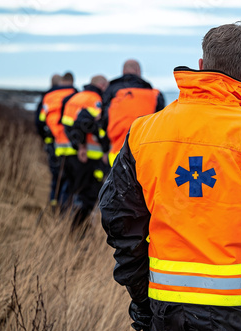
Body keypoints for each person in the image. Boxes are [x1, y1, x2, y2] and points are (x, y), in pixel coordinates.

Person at [99, 22, 241, 331]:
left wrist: (142, 298)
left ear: (202, 65)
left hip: (169, 312)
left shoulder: (143, 133)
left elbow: (119, 219)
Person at [61, 75, 110, 232]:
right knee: (88, 193)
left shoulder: (75, 98)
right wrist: (100, 146)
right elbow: (84, 122)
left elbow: (68, 125)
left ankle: (68, 224)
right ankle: (79, 229)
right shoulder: (95, 99)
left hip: (70, 152)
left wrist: (77, 145)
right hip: (89, 155)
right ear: (102, 85)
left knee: (74, 190)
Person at [101, 59, 165, 166]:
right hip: (145, 152)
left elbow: (103, 121)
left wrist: (104, 148)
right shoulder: (154, 94)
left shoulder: (111, 91)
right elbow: (161, 124)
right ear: (138, 71)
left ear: (123, 71)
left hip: (117, 151)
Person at [36, 72, 77, 209]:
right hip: (71, 144)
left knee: (56, 176)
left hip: (53, 142)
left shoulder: (48, 96)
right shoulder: (76, 94)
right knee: (69, 177)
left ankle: (54, 204)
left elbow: (40, 121)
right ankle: (65, 208)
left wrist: (47, 138)